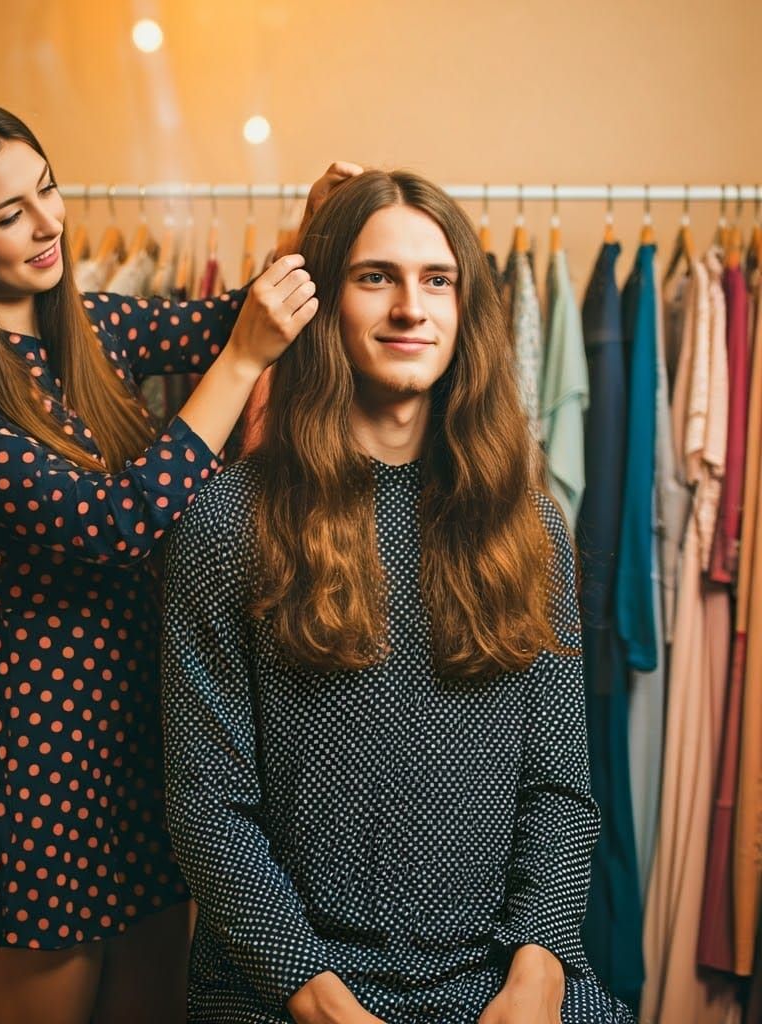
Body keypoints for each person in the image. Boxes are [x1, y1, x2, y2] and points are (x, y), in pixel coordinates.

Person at [0, 97, 357, 1024]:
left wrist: (311, 231)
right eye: (8, 214)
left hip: (148, 735)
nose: (47, 222)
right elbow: (114, 522)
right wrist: (240, 366)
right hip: (40, 757)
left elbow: (231, 319)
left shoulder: (87, 326)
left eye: (47, 190)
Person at [161, 170, 636, 1024]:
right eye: (375, 277)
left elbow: (561, 791)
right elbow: (207, 807)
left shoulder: (530, 524)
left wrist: (537, 971)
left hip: (496, 977)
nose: (411, 308)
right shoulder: (230, 519)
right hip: (283, 987)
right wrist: (320, 1002)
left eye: (437, 280)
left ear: (465, 308)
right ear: (323, 303)